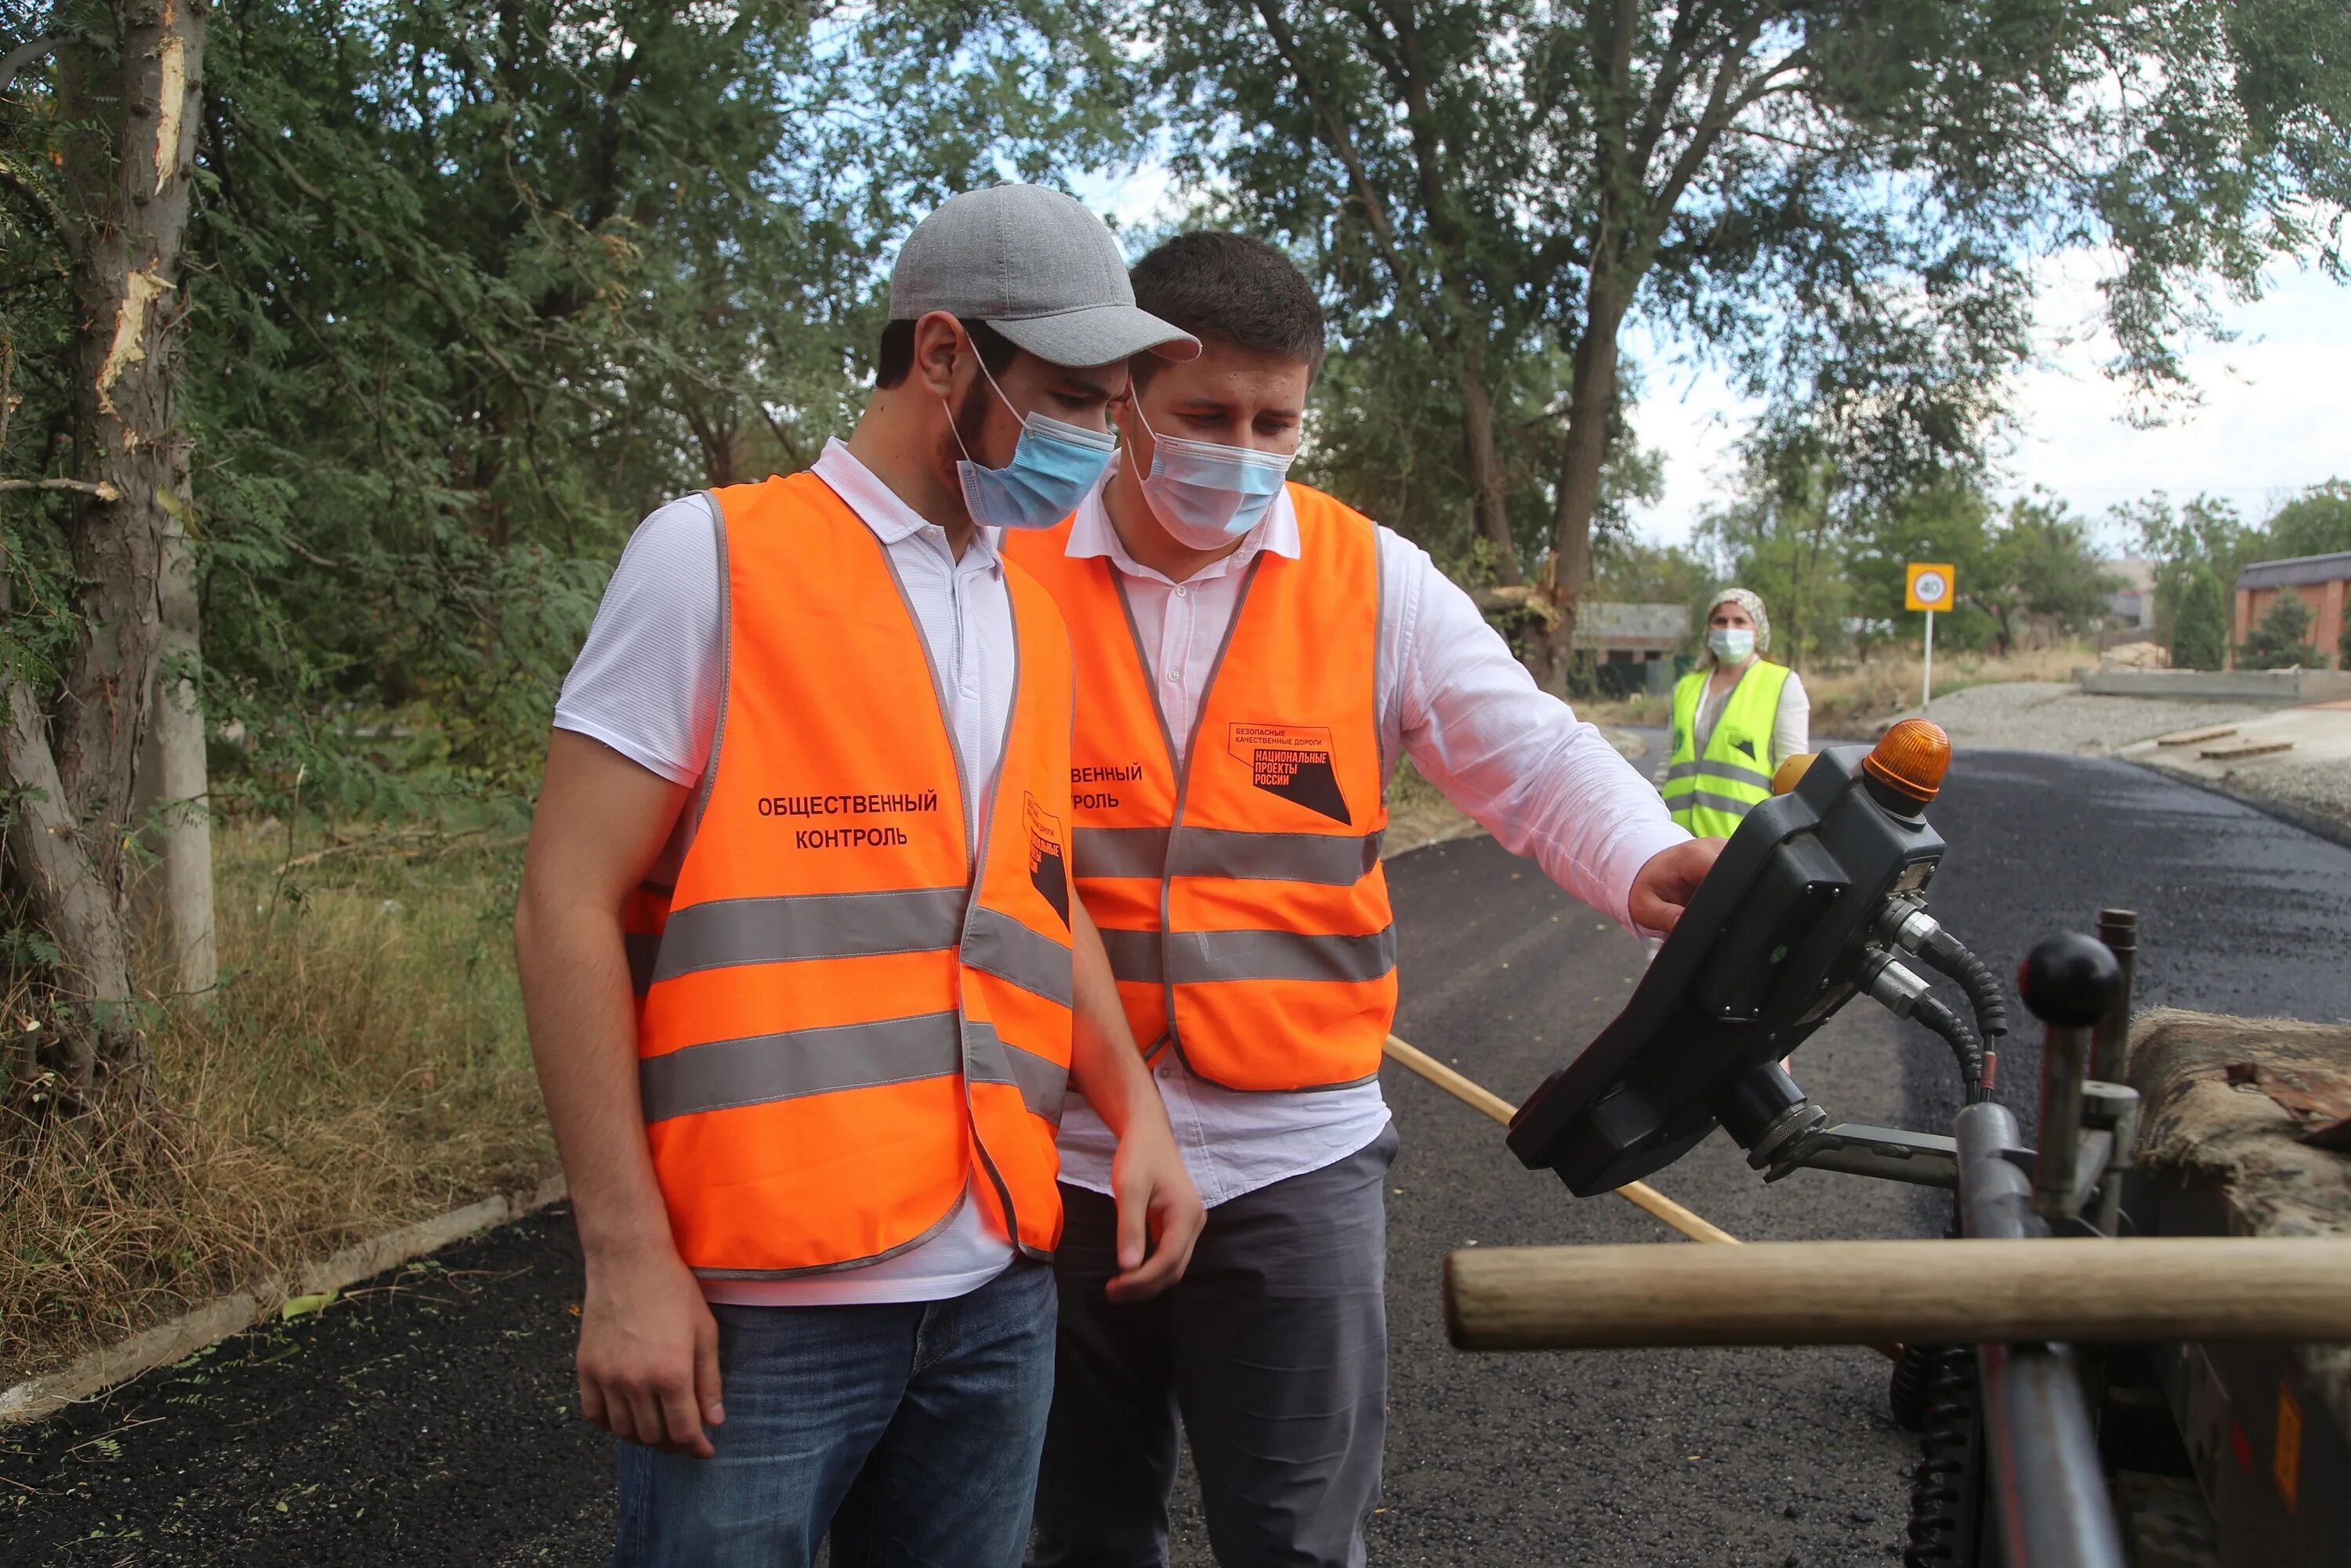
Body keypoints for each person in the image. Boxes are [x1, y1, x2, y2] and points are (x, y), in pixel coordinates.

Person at [1001, 231, 1724, 1568]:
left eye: (1276, 421)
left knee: (1296, 1540)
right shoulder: (1009, 568)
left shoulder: (1372, 580)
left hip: (1294, 1161)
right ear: (1126, 402)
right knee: (1076, 1535)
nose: (1245, 450)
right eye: (1206, 416)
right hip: (1062, 1158)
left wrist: (1642, 857)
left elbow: (1533, 752)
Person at [514, 185, 1208, 1568]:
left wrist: (1136, 1109)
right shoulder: (710, 559)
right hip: (762, 1304)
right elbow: (562, 907)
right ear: (943, 355)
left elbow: (1035, 892)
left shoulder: (1028, 604)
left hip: (999, 1286)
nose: (1099, 440)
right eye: (1072, 396)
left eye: (1113, 405)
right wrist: (626, 1259)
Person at [1657, 588, 1812, 837]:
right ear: (1709, 630)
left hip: (1743, 840)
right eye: (1720, 621)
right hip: (1677, 837)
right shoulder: (1685, 687)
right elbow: (1668, 762)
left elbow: (1791, 773)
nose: (1729, 628)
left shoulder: (1781, 683)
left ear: (1757, 630)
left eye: (1740, 621)